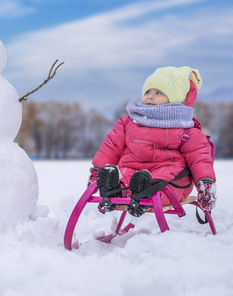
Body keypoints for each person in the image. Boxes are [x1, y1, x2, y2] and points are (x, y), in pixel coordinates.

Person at [88, 66, 216, 217]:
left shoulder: (186, 130)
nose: (150, 96)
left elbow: (199, 159)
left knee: (161, 186)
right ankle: (112, 191)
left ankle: (144, 194)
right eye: (148, 91)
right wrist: (97, 170)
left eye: (158, 93)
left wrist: (205, 184)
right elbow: (111, 147)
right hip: (131, 173)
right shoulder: (129, 123)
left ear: (174, 99)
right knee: (124, 179)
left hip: (169, 177)